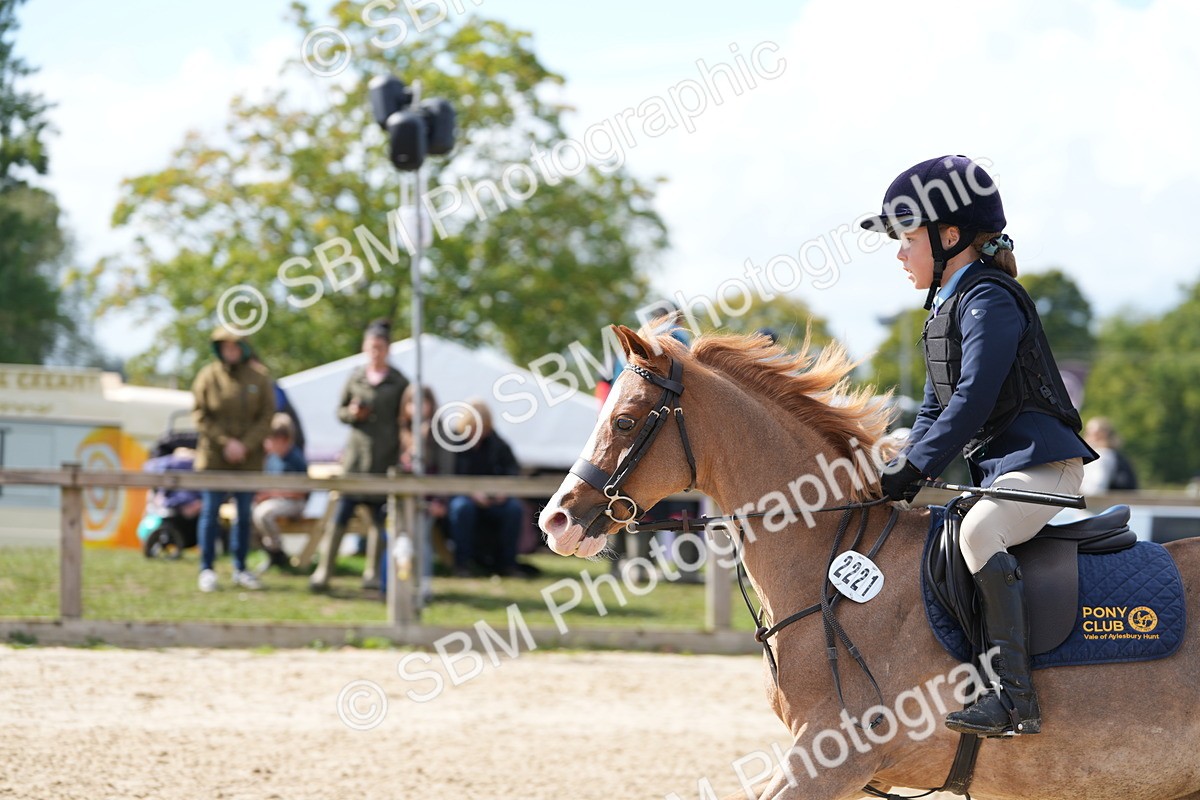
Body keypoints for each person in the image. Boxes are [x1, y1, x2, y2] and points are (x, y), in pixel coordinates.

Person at [862, 155, 1097, 737]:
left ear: (949, 237)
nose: (899, 254)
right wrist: (899, 468)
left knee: (977, 532)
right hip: (1002, 473)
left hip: (1045, 469)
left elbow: (972, 398)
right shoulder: (945, 308)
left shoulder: (989, 298)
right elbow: (937, 406)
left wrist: (916, 467)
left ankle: (1015, 698)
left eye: (907, 239)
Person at [309, 319, 409, 592]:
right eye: (371, 346)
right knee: (340, 516)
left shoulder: (399, 382)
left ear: (387, 349)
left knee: (379, 521)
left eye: (380, 347)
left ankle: (372, 575)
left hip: (383, 459)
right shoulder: (355, 377)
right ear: (365, 348)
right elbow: (339, 412)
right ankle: (324, 571)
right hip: (355, 461)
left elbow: (405, 418)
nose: (375, 351)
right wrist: (352, 413)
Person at [191, 326, 275, 592]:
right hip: (215, 456)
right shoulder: (207, 377)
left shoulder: (259, 378)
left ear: (244, 348)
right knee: (210, 512)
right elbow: (200, 415)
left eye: (235, 346)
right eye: (226, 346)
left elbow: (267, 416)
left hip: (247, 459)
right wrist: (226, 443)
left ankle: (240, 567)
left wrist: (245, 445)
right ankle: (207, 568)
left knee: (244, 513)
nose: (231, 351)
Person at [446, 398, 525, 577]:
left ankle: (508, 563)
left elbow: (512, 470)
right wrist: (471, 493)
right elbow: (447, 474)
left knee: (514, 509)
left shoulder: (497, 443)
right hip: (462, 498)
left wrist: (502, 491)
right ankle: (462, 564)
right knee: (461, 508)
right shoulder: (451, 443)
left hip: (494, 499)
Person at [394, 384, 456, 599]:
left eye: (423, 402)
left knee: (421, 540)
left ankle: (424, 586)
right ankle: (399, 587)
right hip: (402, 498)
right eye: (412, 403)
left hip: (428, 498)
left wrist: (441, 499)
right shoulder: (400, 431)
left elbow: (445, 468)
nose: (418, 408)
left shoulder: (439, 432)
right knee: (401, 542)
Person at [251, 413, 309, 572]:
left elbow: (302, 492)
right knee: (248, 510)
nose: (266, 443)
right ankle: (272, 552)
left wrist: (272, 494)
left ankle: (276, 552)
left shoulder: (295, 459)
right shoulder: (271, 458)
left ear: (282, 439)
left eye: (270, 439)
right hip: (275, 500)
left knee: (263, 514)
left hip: (294, 502)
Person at [1081, 417, 1138, 494]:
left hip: (1103, 503)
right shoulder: (1114, 454)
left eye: (1092, 433)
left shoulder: (1102, 455)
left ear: (1103, 434)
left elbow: (1095, 488)